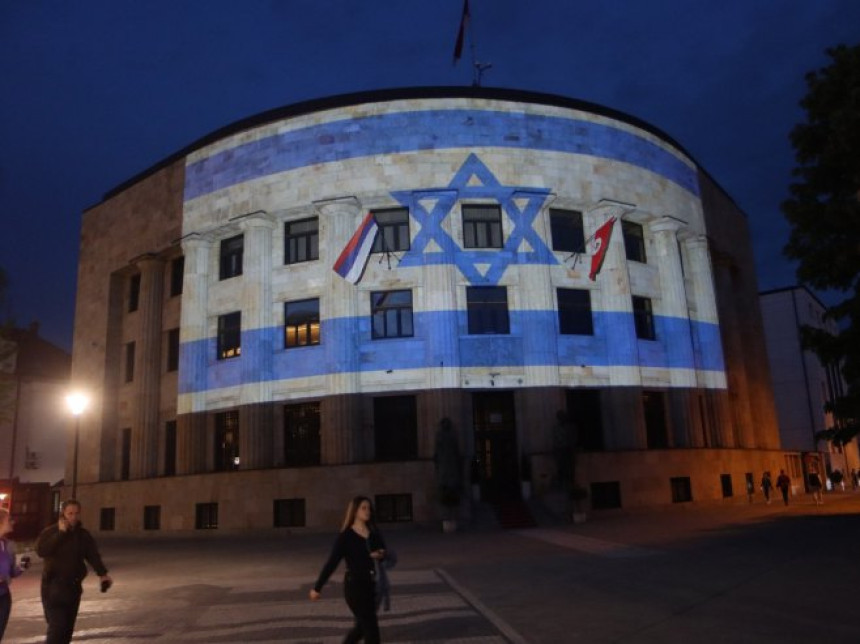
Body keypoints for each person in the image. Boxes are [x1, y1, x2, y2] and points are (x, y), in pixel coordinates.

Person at [310, 496, 387, 643]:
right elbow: (331, 563)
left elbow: (384, 553)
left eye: (369, 508)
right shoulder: (346, 537)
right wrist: (317, 588)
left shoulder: (373, 533)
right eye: (363, 508)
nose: (367, 511)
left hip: (371, 587)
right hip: (354, 587)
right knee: (372, 631)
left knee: (361, 628)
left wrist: (381, 554)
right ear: (355, 511)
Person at [36, 499, 112, 644]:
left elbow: (93, 555)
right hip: (53, 587)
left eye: (76, 513)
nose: (73, 517)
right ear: (63, 513)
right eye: (70, 513)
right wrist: (61, 534)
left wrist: (103, 574)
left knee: (67, 630)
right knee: (57, 628)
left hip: (73, 587)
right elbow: (41, 551)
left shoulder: (83, 535)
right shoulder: (50, 532)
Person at [1, 507, 29, 640]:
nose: (13, 522)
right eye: (9, 520)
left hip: (4, 597)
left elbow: (12, 573)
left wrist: (22, 567)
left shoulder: (8, 545)